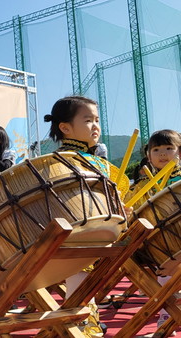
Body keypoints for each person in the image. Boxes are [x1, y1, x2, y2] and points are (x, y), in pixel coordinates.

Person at [44, 95, 129, 337]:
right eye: (88, 120)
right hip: (72, 236)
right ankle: (81, 328)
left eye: (97, 120)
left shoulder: (99, 163)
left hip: (97, 234)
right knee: (79, 283)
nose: (95, 126)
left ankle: (81, 325)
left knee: (84, 285)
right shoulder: (55, 162)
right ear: (65, 128)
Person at [127, 129, 181, 333]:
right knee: (164, 275)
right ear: (148, 155)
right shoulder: (142, 186)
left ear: (180, 153)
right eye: (156, 149)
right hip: (161, 249)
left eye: (169, 148)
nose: (163, 154)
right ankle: (168, 316)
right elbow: (135, 214)